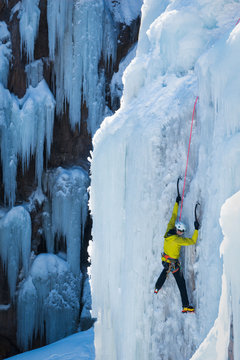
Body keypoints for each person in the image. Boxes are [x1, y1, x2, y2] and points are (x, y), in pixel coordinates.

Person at [154, 193, 200, 313]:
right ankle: (185, 306)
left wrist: (176, 202)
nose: (182, 232)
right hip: (173, 264)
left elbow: (174, 215)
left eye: (183, 231)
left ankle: (157, 287)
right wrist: (196, 229)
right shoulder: (178, 240)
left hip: (166, 260)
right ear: (178, 230)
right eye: (181, 231)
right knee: (181, 284)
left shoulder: (169, 230)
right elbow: (192, 241)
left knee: (165, 272)